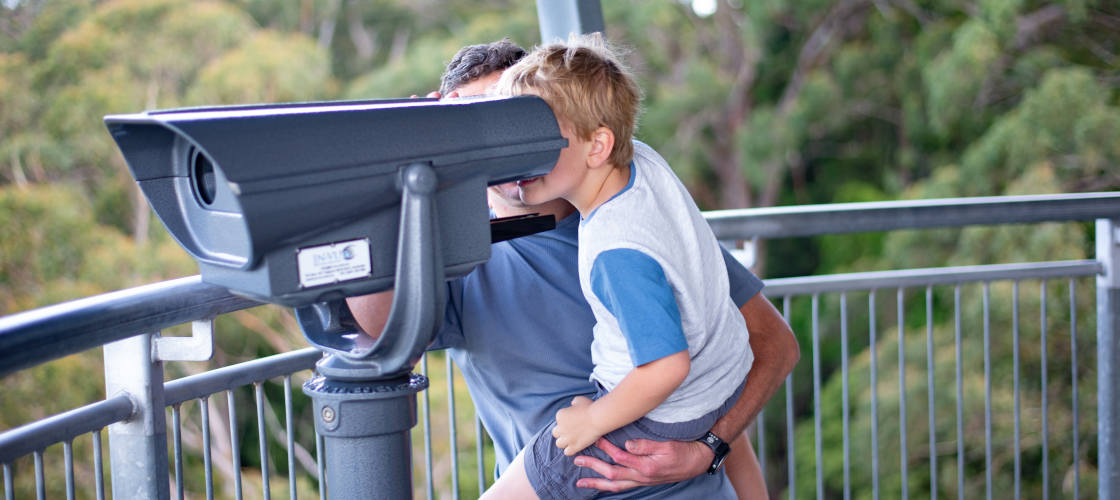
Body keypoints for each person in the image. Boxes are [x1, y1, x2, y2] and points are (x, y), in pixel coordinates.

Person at [347, 39, 799, 499]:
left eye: (514, 118)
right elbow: (381, 330)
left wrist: (709, 447)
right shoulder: (455, 245)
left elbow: (758, 347)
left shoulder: (635, 224)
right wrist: (399, 173)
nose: (500, 144)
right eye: (475, 124)